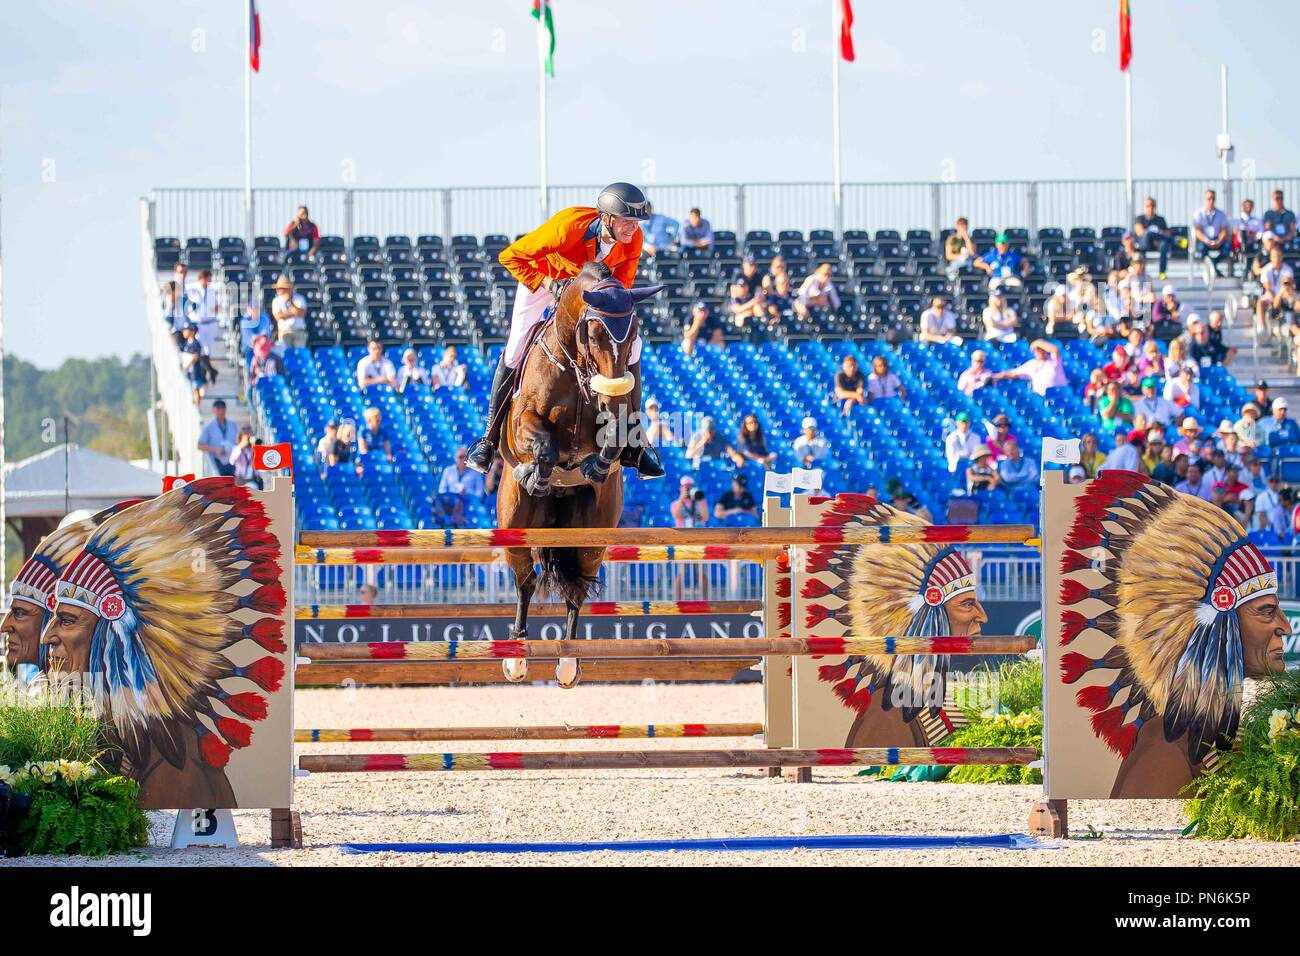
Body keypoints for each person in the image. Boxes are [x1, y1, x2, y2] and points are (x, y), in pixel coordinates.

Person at [466, 182, 663, 480]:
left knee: (632, 345)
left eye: (636, 222)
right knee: (517, 344)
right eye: (626, 221)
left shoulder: (633, 241)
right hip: (543, 279)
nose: (632, 229)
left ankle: (635, 442)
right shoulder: (568, 227)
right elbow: (510, 256)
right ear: (606, 217)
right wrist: (548, 284)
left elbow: (621, 286)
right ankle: (488, 439)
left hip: (587, 295)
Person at [990, 338, 1067, 396]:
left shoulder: (1054, 361)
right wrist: (993, 376)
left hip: (1060, 394)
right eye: (1037, 350)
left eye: (1042, 350)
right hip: (1042, 397)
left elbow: (1055, 350)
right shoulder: (1032, 364)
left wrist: (1038, 343)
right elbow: (1013, 374)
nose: (1040, 352)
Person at [436, 446, 485, 528]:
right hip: (451, 503)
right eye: (460, 457)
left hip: (469, 503)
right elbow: (441, 490)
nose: (463, 460)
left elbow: (479, 494)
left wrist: (466, 492)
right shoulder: (448, 471)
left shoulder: (476, 473)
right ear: (455, 458)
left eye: (465, 457)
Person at [187, 269, 221, 384]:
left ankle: (209, 372)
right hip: (200, 323)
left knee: (208, 350)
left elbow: (217, 306)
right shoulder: (194, 290)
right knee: (201, 350)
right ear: (202, 278)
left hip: (210, 322)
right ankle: (210, 372)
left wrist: (215, 310)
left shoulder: (211, 292)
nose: (209, 281)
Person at [1255, 244, 1295, 332]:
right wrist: (1276, 301)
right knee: (1260, 303)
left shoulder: (1287, 269)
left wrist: (1280, 296)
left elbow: (1287, 284)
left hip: (1284, 295)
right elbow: (1268, 288)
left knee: (1292, 299)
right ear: (1271, 257)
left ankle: (1292, 325)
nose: (1277, 258)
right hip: (1271, 295)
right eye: (1275, 256)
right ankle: (1262, 328)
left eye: (1279, 256)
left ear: (1282, 256)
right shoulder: (1266, 269)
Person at [1193, 188, 1231, 276]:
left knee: (1226, 250)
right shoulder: (1199, 213)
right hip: (1204, 240)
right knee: (1201, 249)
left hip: (1218, 239)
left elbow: (1224, 230)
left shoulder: (1221, 214)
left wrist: (1218, 241)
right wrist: (1206, 240)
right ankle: (1214, 269)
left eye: (1213, 198)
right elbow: (1197, 231)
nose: (1211, 201)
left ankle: (1212, 265)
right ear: (1205, 199)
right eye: (1208, 199)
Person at [1133, 195, 1173, 279]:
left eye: (1152, 206)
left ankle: (1162, 272)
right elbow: (1140, 232)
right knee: (1148, 234)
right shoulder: (1139, 218)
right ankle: (1175, 240)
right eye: (1148, 206)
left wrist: (1158, 235)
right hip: (1144, 244)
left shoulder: (1160, 219)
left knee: (1164, 244)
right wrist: (1155, 233)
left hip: (1157, 244)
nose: (1150, 208)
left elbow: (1166, 232)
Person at [197, 399, 237, 477]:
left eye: (222, 409)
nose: (220, 412)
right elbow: (199, 445)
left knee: (233, 486)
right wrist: (216, 450)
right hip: (217, 461)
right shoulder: (209, 427)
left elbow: (239, 440)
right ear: (213, 410)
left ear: (225, 409)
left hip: (232, 461)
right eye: (218, 409)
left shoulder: (233, 425)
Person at [271, 275, 308, 348]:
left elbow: (301, 313)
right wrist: (293, 313)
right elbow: (278, 317)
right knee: (286, 354)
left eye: (282, 288)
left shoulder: (299, 298)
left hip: (299, 331)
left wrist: (291, 303)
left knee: (299, 355)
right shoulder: (276, 301)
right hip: (284, 332)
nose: (279, 290)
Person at [179, 322, 206, 406]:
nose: (184, 332)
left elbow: (195, 357)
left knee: (195, 389)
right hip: (189, 371)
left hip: (195, 370)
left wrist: (187, 366)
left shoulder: (195, 344)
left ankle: (197, 406)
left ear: (192, 332)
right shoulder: (186, 344)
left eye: (186, 330)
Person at [228, 425, 260, 489]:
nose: (249, 437)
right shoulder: (236, 448)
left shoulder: (254, 449)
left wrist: (255, 446)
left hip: (253, 479)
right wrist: (241, 445)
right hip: (241, 479)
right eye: (247, 435)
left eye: (250, 435)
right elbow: (232, 461)